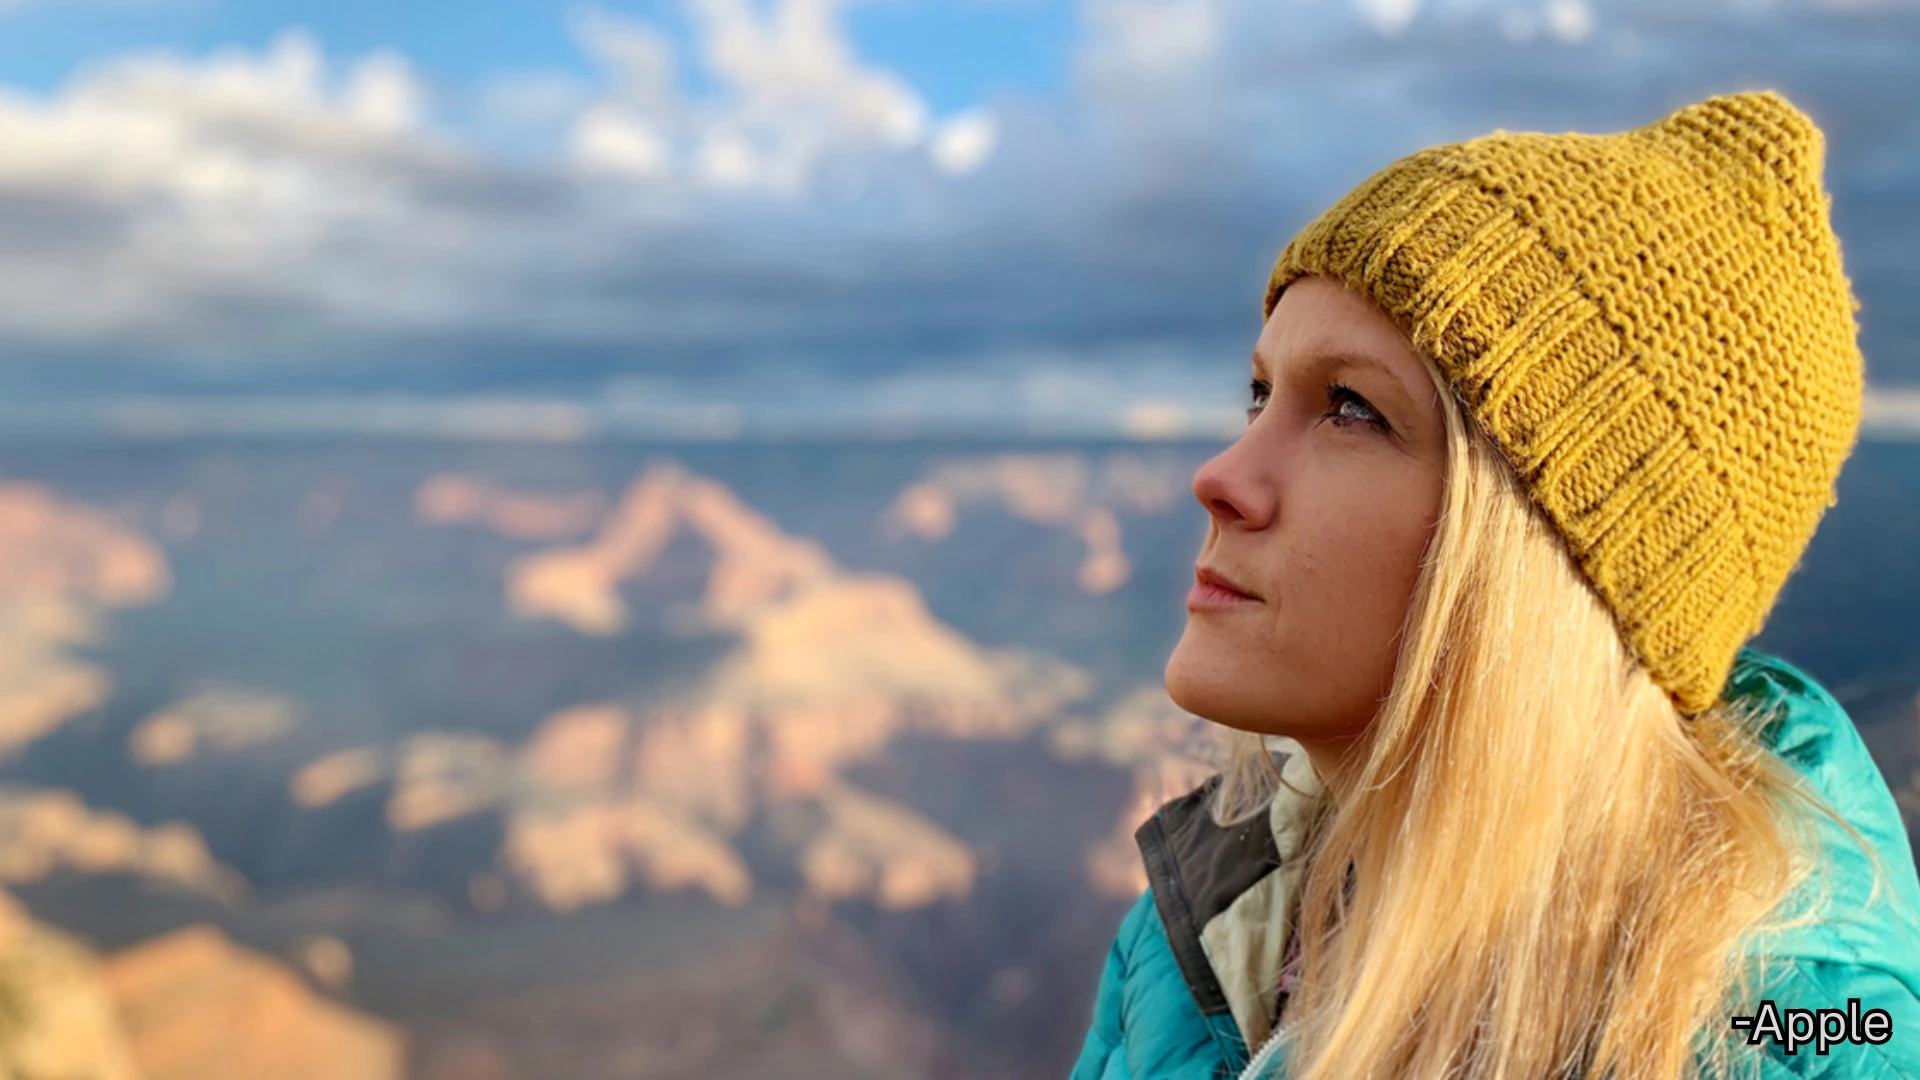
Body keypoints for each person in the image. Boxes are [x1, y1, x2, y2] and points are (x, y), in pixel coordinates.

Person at [1069, 90, 1920, 1080]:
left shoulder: (1787, 1044)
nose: (1220, 477)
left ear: (1553, 558)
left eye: (1351, 408)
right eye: (1260, 394)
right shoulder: (1187, 938)